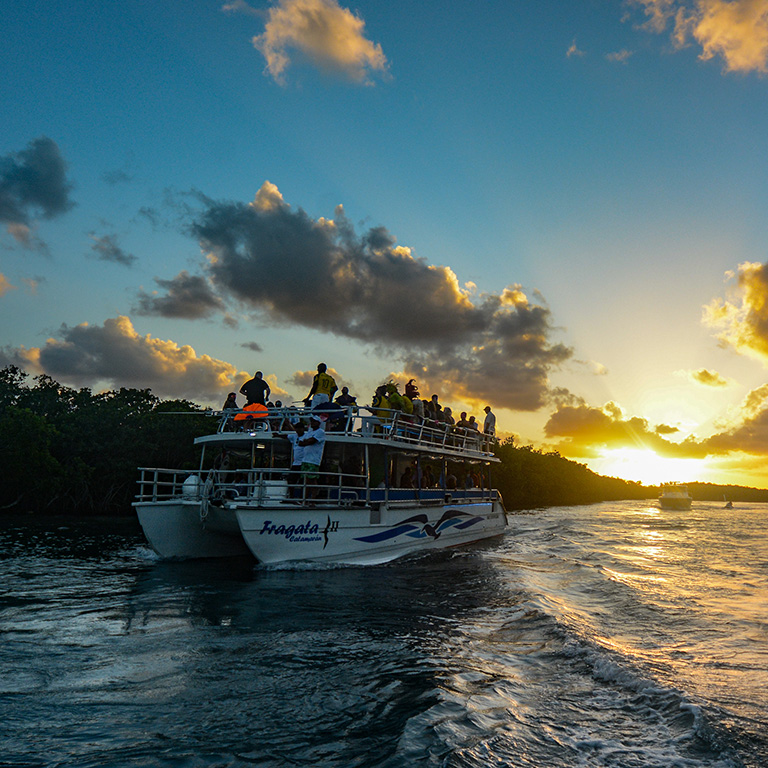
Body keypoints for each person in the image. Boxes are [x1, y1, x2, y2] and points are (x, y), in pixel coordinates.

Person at [298, 414, 326, 500]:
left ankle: (313, 499)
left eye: (314, 421)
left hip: (313, 460)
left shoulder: (320, 432)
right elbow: (300, 443)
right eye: (312, 421)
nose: (312, 423)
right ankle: (305, 499)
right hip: (305, 459)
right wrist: (307, 441)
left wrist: (307, 441)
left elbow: (311, 441)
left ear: (318, 423)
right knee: (306, 481)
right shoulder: (309, 432)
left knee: (313, 481)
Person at [283, 420, 306, 498]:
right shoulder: (294, 436)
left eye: (300, 428)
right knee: (291, 480)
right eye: (297, 428)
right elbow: (286, 436)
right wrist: (277, 435)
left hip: (304, 463)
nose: (299, 430)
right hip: (295, 463)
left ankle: (302, 498)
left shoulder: (307, 436)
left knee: (303, 482)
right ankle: (291, 496)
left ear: (303, 429)